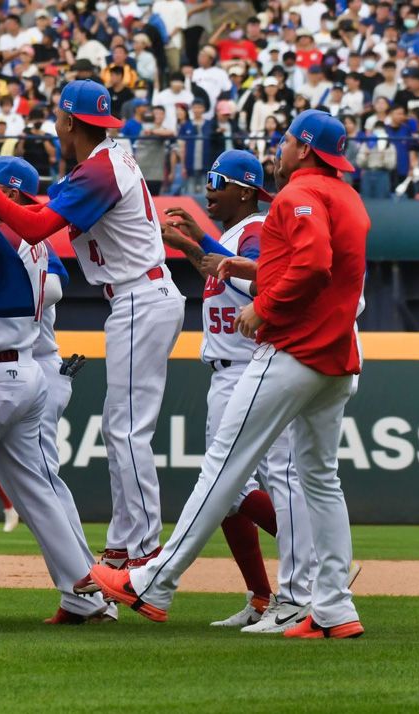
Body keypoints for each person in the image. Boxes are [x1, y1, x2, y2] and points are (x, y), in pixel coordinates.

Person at [91, 110, 369, 640]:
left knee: (224, 467)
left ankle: (153, 581)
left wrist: (266, 307)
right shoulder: (349, 199)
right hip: (337, 359)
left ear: (305, 150)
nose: (280, 148)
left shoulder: (298, 194)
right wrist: (237, 266)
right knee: (320, 481)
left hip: (295, 351)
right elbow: (307, 265)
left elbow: (311, 267)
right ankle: (333, 608)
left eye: (287, 140)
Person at [0, 79, 185, 584]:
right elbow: (33, 216)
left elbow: (32, 227)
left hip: (140, 294)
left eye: (59, 115)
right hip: (135, 295)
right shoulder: (102, 161)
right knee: (121, 426)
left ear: (71, 121)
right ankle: (122, 546)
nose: (55, 123)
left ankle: (141, 550)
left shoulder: (99, 168)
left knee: (126, 428)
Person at [0, 156, 110, 626]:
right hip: (27, 374)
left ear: (7, 193)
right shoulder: (32, 240)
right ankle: (85, 593)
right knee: (38, 490)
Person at [160, 149, 319, 633]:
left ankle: (317, 572)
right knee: (229, 492)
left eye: (218, 181)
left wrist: (198, 242)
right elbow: (226, 271)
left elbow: (261, 283)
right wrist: (193, 246)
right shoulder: (234, 234)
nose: (208, 188)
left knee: (258, 484)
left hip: (252, 370)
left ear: (245, 190)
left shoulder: (256, 229)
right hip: (228, 372)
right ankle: (263, 594)